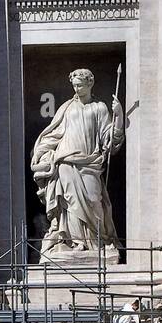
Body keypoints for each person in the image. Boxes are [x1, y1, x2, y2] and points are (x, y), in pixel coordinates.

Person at [30, 68, 126, 259]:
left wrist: (119, 116)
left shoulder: (99, 108)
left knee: (93, 200)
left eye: (80, 85)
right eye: (74, 85)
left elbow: (109, 139)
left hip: (90, 162)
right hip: (65, 161)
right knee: (70, 203)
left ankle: (98, 242)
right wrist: (40, 152)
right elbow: (54, 134)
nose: (76, 88)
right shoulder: (66, 107)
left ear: (90, 84)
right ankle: (77, 242)